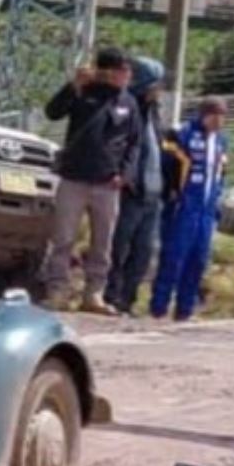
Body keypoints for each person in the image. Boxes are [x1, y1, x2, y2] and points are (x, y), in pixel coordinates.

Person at [42, 47, 142, 313]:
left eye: (128, 70)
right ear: (106, 71)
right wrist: (73, 86)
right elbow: (52, 112)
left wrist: (125, 173)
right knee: (63, 238)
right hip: (74, 178)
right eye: (122, 70)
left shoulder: (128, 102)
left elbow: (134, 143)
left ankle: (93, 293)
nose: (127, 75)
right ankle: (58, 290)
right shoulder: (83, 91)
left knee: (102, 243)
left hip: (108, 183)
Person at [149, 97, 228, 322]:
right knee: (174, 257)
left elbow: (221, 173)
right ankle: (159, 308)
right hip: (183, 206)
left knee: (198, 259)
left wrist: (216, 202)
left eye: (222, 116)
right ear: (203, 114)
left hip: (206, 208)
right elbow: (167, 166)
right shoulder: (182, 134)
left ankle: (185, 309)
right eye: (214, 115)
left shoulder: (221, 141)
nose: (218, 120)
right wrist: (173, 195)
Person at [104, 57, 167, 316]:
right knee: (119, 247)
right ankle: (111, 295)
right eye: (155, 84)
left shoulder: (153, 113)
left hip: (153, 195)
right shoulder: (127, 109)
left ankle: (127, 300)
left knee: (144, 251)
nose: (159, 90)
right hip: (131, 192)